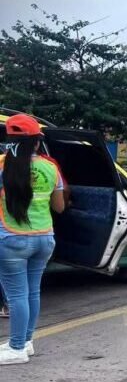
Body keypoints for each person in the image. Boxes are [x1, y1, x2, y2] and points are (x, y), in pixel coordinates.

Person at [0, 115, 66, 365]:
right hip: (44, 239)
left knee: (16, 296)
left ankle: (16, 348)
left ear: (9, 141)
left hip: (12, 240)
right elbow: (59, 207)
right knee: (32, 292)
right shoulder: (51, 167)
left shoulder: (3, 165)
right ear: (37, 143)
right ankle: (25, 342)